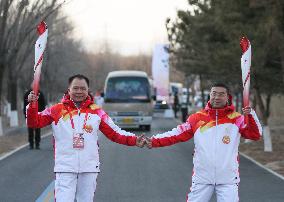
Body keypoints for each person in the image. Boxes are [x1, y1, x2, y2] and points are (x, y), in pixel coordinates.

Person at [26, 74, 144, 202]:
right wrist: (32, 106)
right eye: (75, 88)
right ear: (69, 89)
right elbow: (34, 122)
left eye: (83, 88)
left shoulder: (97, 112)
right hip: (65, 168)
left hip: (89, 168)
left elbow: (115, 133)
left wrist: (134, 140)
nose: (79, 92)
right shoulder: (56, 110)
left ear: (88, 90)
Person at [144, 83, 262, 202]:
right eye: (214, 94)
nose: (217, 97)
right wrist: (154, 141)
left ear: (228, 97)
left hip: (228, 180)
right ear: (210, 96)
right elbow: (176, 134)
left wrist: (251, 115)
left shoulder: (237, 119)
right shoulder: (197, 118)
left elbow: (255, 135)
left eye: (221, 94)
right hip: (202, 179)